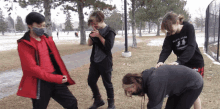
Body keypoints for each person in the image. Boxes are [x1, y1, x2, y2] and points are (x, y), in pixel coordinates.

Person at [16, 12, 78, 109]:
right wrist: (56, 78)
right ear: (29, 26)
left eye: (43, 25)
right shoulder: (24, 44)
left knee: (72, 103)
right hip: (39, 82)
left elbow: (57, 59)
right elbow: (32, 68)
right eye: (38, 25)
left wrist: (60, 75)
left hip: (55, 77)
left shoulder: (47, 39)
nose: (41, 28)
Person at [155, 11, 204, 109]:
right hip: (182, 65)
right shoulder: (170, 34)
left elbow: (191, 47)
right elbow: (166, 49)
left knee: (194, 93)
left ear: (177, 22)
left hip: (195, 63)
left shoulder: (188, 27)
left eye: (171, 29)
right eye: (168, 31)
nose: (170, 33)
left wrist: (179, 62)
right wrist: (160, 61)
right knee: (181, 90)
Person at [122, 65, 203, 109]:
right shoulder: (145, 78)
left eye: (129, 90)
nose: (130, 93)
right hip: (177, 87)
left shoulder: (153, 83)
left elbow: (154, 106)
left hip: (193, 84)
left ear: (134, 84)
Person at [87, 11, 116, 109]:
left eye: (95, 23)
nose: (94, 25)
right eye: (92, 24)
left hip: (105, 61)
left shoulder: (110, 31)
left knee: (107, 83)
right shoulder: (95, 30)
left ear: (101, 20)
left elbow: (108, 47)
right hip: (95, 61)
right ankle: (98, 99)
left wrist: (99, 36)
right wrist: (91, 35)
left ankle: (111, 103)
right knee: (91, 81)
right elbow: (89, 44)